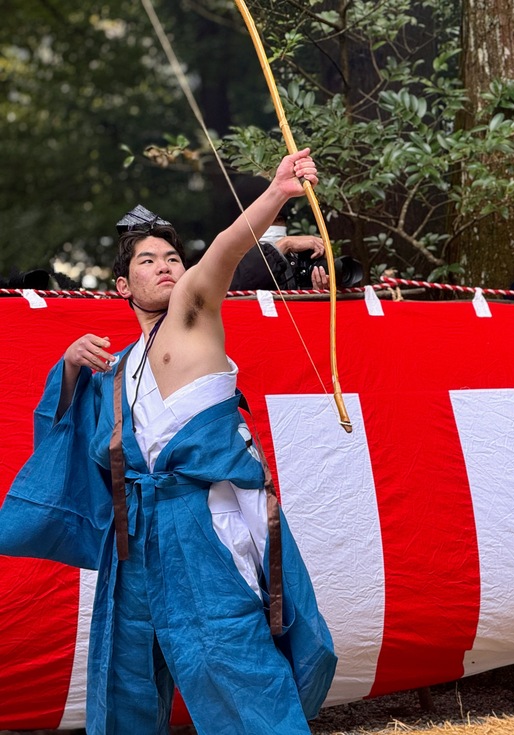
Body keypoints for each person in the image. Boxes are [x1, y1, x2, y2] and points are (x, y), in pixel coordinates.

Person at [0, 150, 336, 734]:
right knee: (124, 672)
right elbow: (70, 442)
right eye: (148, 260)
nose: (166, 267)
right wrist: (72, 370)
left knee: (228, 658)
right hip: (136, 535)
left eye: (173, 258)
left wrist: (279, 191)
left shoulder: (192, 313)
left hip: (199, 522)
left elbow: (228, 246)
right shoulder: (119, 365)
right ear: (121, 284)